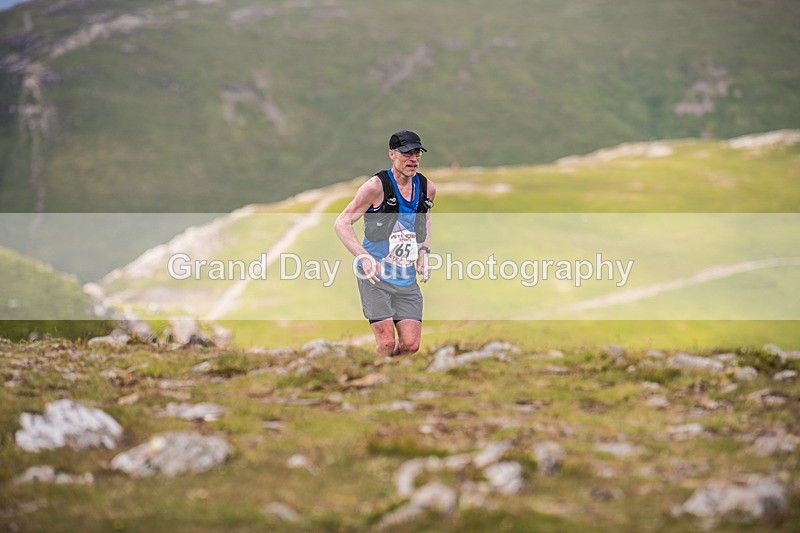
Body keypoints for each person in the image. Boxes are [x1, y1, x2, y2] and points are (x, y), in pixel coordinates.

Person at [334, 130, 436, 357]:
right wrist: (363, 256)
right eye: (406, 153)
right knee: (387, 344)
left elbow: (426, 219)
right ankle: (376, 381)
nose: (413, 159)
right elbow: (342, 223)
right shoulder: (375, 187)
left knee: (410, 345)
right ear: (392, 154)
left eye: (417, 153)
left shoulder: (427, 188)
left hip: (406, 278)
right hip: (375, 277)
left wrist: (423, 252)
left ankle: (393, 382)